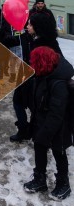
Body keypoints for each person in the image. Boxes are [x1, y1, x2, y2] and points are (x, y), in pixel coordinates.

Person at [23, 46, 74, 201]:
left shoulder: (58, 83)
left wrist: (46, 133)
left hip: (58, 126)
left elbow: (56, 113)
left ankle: (63, 184)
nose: (31, 63)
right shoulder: (43, 75)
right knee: (39, 149)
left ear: (42, 62)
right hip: (42, 122)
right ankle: (40, 179)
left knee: (59, 153)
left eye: (34, 61)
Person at [7, 12, 63, 143]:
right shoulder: (28, 37)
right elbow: (14, 41)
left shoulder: (48, 43)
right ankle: (23, 129)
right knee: (17, 102)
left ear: (38, 26)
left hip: (39, 83)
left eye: (30, 24)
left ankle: (39, 134)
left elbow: (60, 62)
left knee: (36, 109)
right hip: (25, 78)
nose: (28, 26)